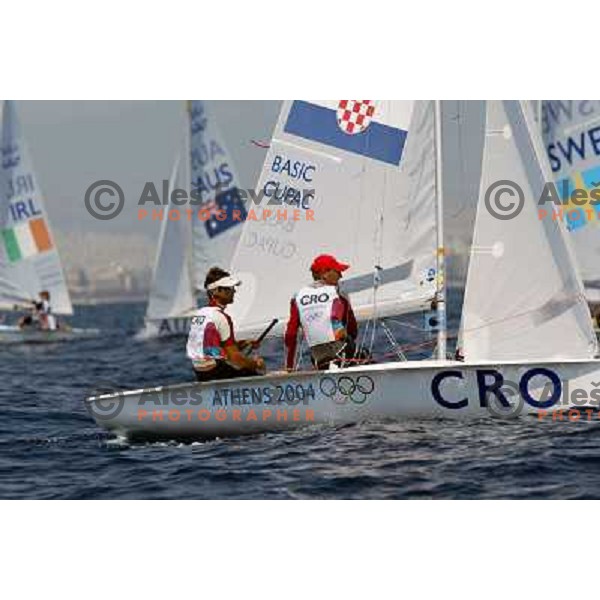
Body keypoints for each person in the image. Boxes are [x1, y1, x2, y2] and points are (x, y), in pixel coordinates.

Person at [187, 267, 266, 382]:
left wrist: (244, 344)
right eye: (228, 288)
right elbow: (236, 359)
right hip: (217, 374)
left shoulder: (201, 314)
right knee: (255, 370)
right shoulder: (221, 317)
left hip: (202, 375)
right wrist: (256, 364)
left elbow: (212, 349)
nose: (233, 291)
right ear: (216, 291)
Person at [285, 254, 358, 371]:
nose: (341, 275)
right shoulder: (338, 294)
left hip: (317, 358)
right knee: (363, 353)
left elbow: (291, 335)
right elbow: (353, 330)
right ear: (325, 273)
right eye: (337, 271)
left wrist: (289, 367)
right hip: (343, 354)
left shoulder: (297, 298)